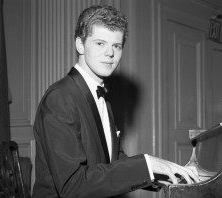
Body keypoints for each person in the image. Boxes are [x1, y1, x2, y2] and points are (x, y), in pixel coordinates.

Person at [32, 5, 199, 198]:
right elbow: (72, 186)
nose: (110, 53)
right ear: (80, 44)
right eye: (100, 43)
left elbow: (112, 159)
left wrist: (157, 173)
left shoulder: (102, 97)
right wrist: (145, 164)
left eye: (117, 46)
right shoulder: (61, 98)